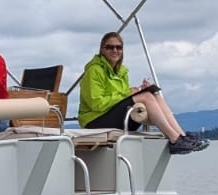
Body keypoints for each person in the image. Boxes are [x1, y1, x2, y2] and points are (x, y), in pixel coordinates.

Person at [77, 31, 208, 153]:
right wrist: (129, 93)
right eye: (110, 47)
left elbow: (121, 98)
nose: (115, 50)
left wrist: (138, 90)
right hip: (94, 121)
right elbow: (97, 103)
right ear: (102, 50)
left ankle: (182, 136)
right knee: (145, 96)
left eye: (118, 47)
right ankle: (174, 140)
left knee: (153, 94)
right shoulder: (94, 71)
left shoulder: (122, 72)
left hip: (111, 116)